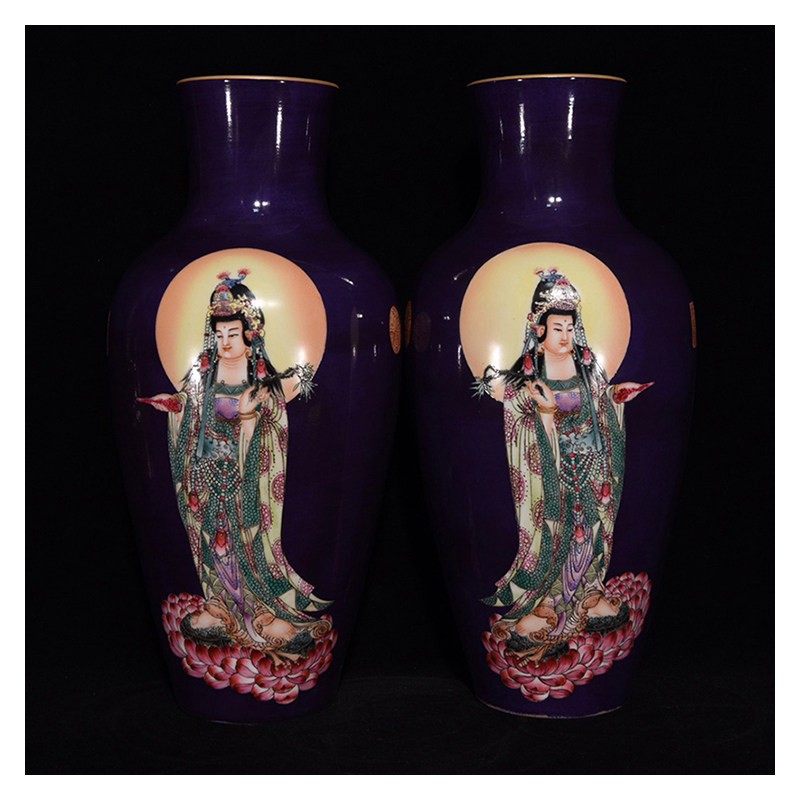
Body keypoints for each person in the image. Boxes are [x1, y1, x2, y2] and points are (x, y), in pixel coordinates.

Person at [140, 270, 331, 658]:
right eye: (219, 334)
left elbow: (275, 425)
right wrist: (176, 405)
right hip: (206, 478)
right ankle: (219, 605)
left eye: (233, 333)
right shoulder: (204, 376)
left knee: (248, 547)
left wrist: (247, 415)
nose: (225, 343)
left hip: (245, 480)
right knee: (212, 546)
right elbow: (192, 406)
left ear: (250, 334)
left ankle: (260, 612)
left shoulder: (263, 383)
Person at [473, 269, 652, 663]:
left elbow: (600, 405)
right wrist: (545, 412)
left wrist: (615, 399)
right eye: (557, 328)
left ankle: (589, 592)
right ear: (538, 330)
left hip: (589, 467)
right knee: (554, 534)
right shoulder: (527, 377)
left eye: (571, 328)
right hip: (549, 471)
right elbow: (516, 418)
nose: (566, 336)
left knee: (591, 530)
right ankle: (546, 603)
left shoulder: (588, 369)